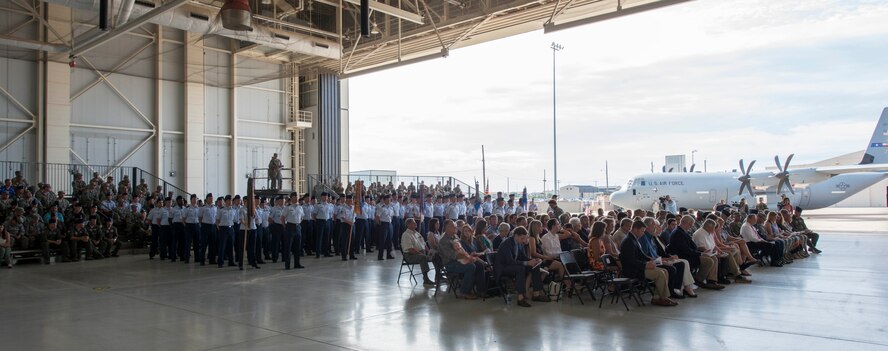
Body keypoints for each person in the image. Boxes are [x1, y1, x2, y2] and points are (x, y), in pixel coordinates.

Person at [619, 220, 678, 306]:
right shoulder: (628, 241)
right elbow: (630, 261)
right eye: (642, 231)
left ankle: (657, 297)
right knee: (660, 273)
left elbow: (642, 255)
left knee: (665, 271)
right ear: (635, 229)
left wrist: (652, 260)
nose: (643, 233)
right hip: (632, 270)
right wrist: (646, 265)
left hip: (638, 267)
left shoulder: (633, 239)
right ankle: (663, 298)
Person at [495, 226, 550, 307]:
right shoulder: (506, 244)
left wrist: (533, 261)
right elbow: (510, 261)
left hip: (513, 265)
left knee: (535, 266)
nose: (524, 241)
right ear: (516, 236)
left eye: (525, 238)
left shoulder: (519, 243)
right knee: (520, 269)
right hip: (503, 267)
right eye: (522, 238)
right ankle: (520, 298)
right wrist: (527, 263)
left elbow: (523, 257)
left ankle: (536, 294)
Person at [669, 215, 724, 290]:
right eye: (690, 224)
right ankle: (698, 280)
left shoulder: (682, 231)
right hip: (684, 256)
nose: (691, 226)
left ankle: (711, 281)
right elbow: (685, 250)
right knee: (708, 261)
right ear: (683, 222)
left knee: (713, 257)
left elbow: (691, 246)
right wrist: (700, 253)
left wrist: (700, 251)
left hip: (689, 254)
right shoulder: (678, 233)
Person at [437, 220, 484, 300]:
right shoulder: (443, 240)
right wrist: (469, 258)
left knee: (479, 264)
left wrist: (469, 257)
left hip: (460, 259)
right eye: (453, 226)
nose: (455, 227)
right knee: (471, 267)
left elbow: (461, 250)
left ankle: (480, 289)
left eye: (455, 225)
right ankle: (464, 292)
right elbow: (453, 255)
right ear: (446, 228)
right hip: (450, 263)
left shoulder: (455, 236)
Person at [400, 218, 435, 286]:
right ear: (408, 225)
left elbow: (424, 244)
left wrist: (429, 252)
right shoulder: (406, 234)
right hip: (410, 255)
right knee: (422, 257)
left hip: (421, 252)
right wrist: (421, 253)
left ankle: (438, 275)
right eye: (413, 223)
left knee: (435, 255)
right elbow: (410, 249)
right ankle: (426, 279)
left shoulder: (417, 233)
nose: (415, 223)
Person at [283, 192, 305, 269]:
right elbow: (282, 218)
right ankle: (287, 264)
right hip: (290, 227)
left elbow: (302, 217)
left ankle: (297, 263)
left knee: (297, 247)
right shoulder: (287, 207)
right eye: (294, 197)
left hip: (298, 227)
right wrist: (285, 226)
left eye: (297, 197)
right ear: (291, 198)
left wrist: (298, 223)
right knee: (288, 247)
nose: (296, 198)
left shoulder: (300, 207)